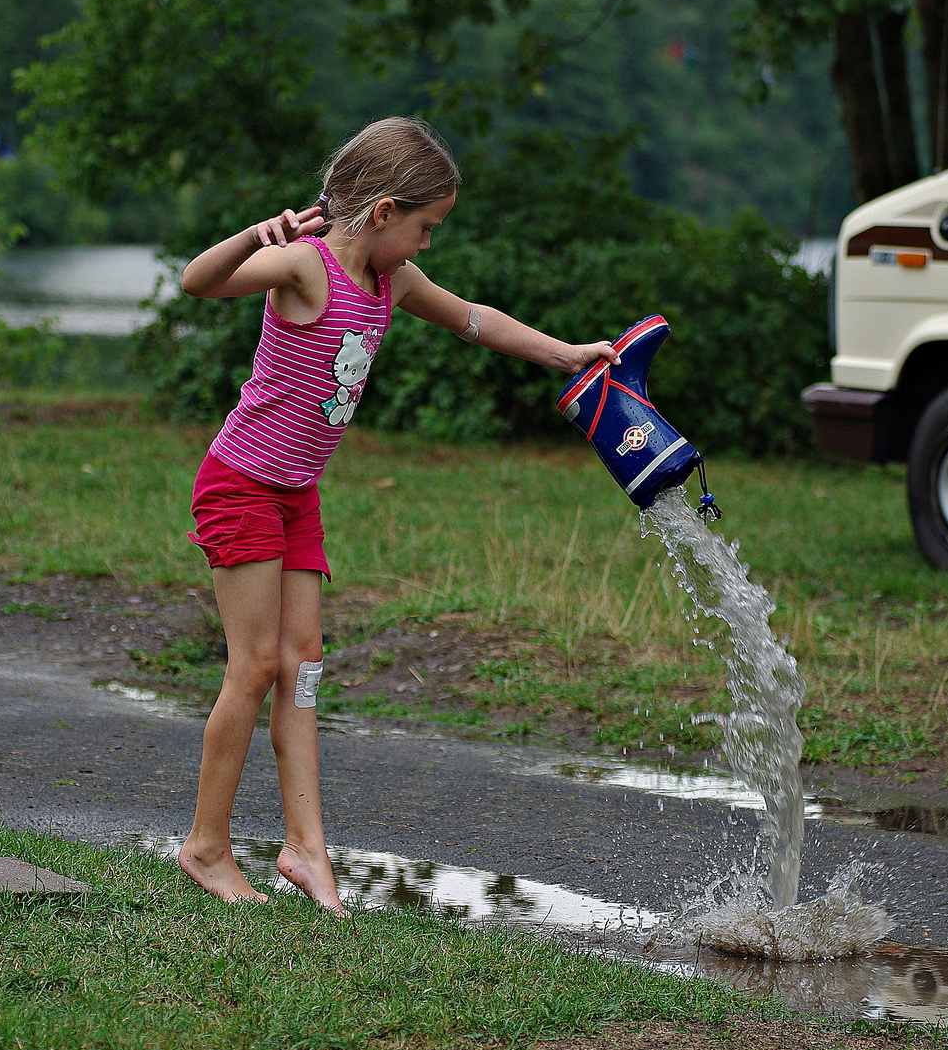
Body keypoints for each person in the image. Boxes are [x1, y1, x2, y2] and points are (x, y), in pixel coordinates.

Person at [176, 116, 620, 913]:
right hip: (240, 482)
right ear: (382, 212)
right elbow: (198, 283)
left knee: (302, 660)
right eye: (423, 228)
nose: (424, 247)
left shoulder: (392, 283)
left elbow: (473, 319)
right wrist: (251, 235)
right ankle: (206, 848)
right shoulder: (304, 267)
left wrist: (566, 353)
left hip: (295, 493)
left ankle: (304, 847)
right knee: (256, 666)